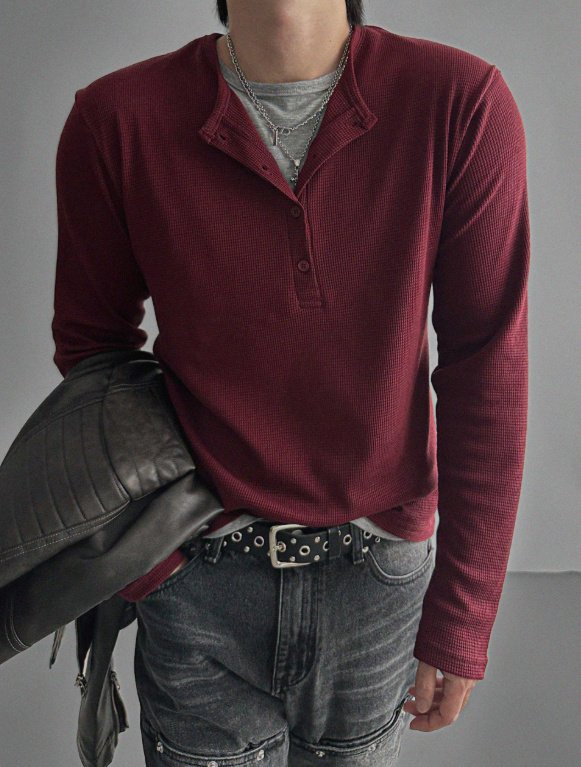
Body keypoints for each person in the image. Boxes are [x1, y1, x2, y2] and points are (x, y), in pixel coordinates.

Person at [51, 1, 530, 764]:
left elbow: (487, 364)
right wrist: (153, 563)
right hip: (194, 577)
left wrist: (463, 613)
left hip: (376, 581)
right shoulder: (115, 119)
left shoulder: (459, 101)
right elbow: (93, 354)